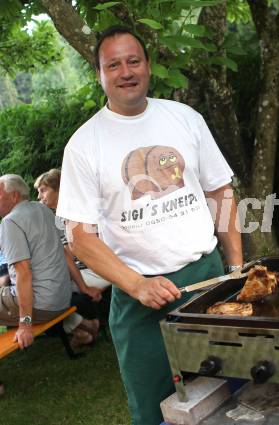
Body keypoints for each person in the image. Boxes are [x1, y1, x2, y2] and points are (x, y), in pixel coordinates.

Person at [56, 26, 243, 425]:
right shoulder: (84, 145)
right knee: (156, 410)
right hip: (139, 300)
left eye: (133, 60)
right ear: (99, 75)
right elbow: (79, 238)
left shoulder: (185, 119)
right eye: (113, 64)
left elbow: (221, 193)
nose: (126, 71)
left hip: (208, 282)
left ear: (148, 66)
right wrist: (137, 284)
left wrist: (235, 269)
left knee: (235, 393)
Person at [34, 169, 105, 345]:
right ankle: (83, 326)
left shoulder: (77, 212)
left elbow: (74, 252)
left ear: (59, 189)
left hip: (96, 269)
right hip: (84, 270)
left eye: (43, 190)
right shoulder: (58, 217)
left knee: (39, 294)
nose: (39, 197)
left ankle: (83, 327)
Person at [0, 174, 71, 350]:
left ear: (14, 195)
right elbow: (64, 253)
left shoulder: (10, 222)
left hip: (40, 307)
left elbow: (23, 272)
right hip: (62, 300)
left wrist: (25, 325)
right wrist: (84, 288)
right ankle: (78, 324)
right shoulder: (44, 211)